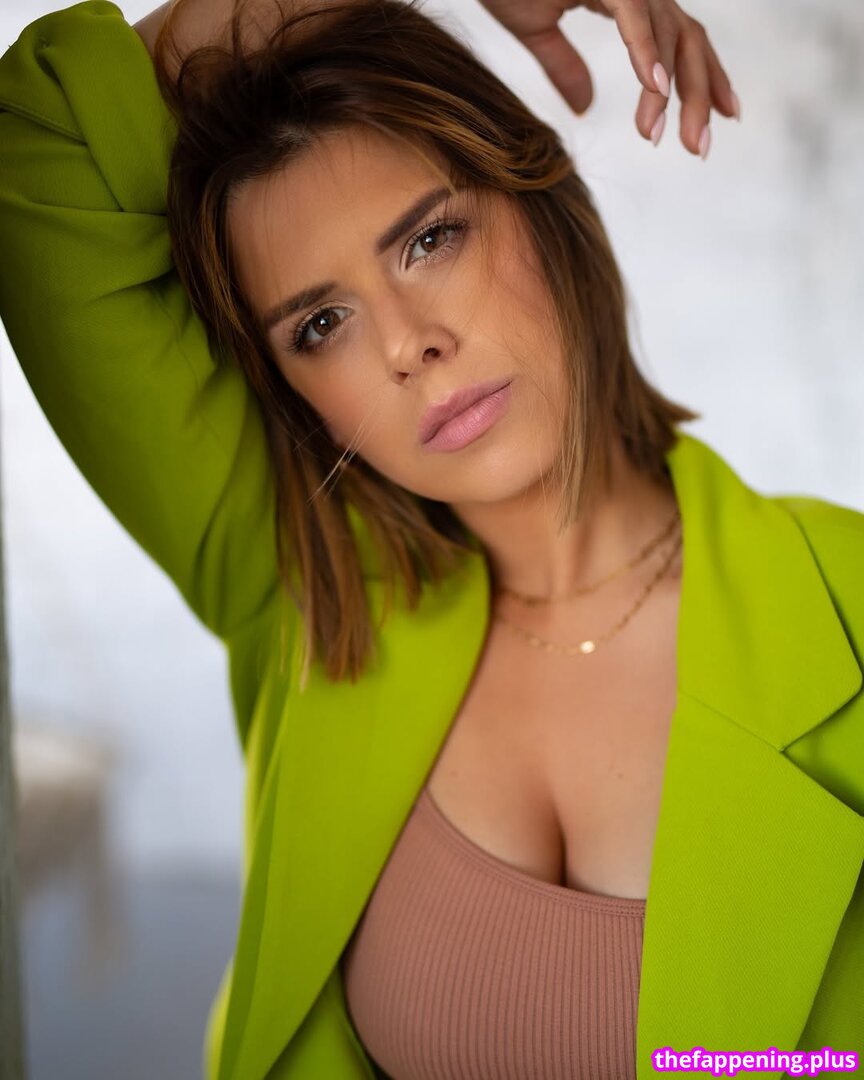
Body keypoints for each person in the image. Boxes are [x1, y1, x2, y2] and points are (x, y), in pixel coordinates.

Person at [0, 2, 861, 1079]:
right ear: (300, 398)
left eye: (428, 240)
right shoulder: (305, 591)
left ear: (541, 199)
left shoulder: (843, 600)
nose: (408, 346)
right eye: (320, 324)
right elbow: (37, 148)